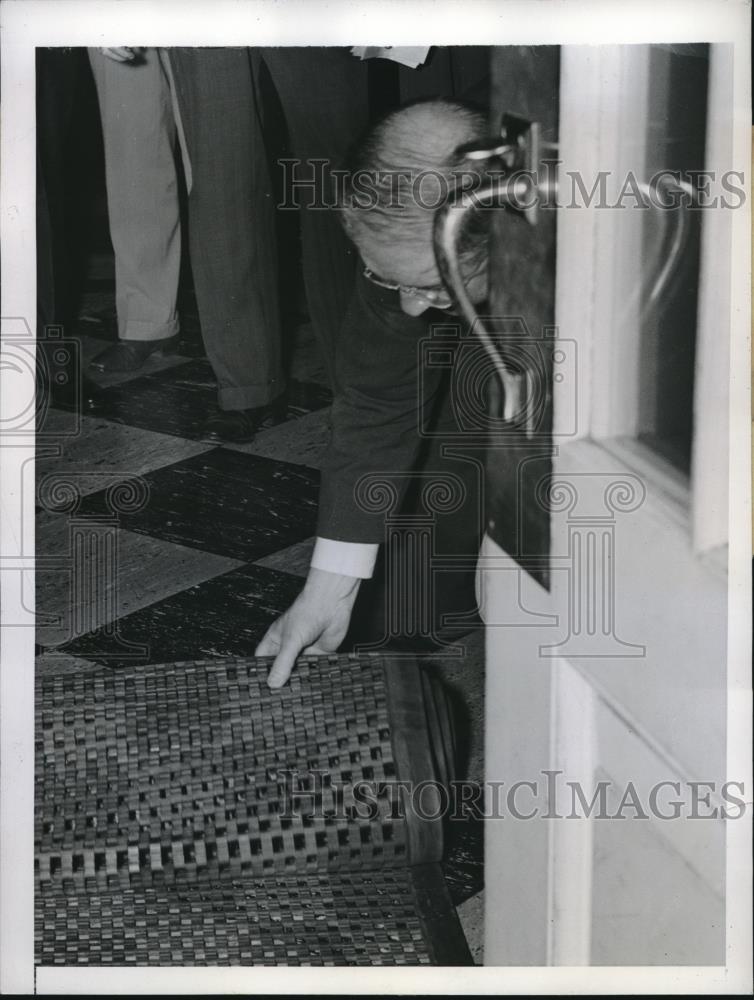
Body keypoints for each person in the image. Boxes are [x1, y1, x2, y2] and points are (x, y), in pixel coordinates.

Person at [256, 99, 492, 687]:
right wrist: (326, 589)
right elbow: (376, 403)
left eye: (429, 287)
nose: (409, 305)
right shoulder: (404, 245)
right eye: (389, 280)